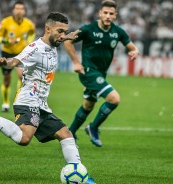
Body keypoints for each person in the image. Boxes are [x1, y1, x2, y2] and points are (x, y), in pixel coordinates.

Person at [0, 12, 96, 184]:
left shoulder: (54, 43)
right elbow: (15, 61)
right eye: (59, 31)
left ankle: (80, 175)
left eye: (64, 32)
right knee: (24, 138)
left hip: (42, 104)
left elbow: (59, 39)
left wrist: (66, 37)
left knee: (66, 134)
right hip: (27, 100)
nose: (62, 35)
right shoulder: (34, 49)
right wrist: (5, 62)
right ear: (47, 29)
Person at [64, 0, 139, 147]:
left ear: (115, 15)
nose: (108, 16)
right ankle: (93, 128)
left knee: (88, 106)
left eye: (111, 13)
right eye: (105, 13)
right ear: (100, 13)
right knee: (114, 99)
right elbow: (67, 41)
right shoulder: (88, 29)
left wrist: (135, 51)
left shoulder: (118, 32)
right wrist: (76, 62)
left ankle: (70, 133)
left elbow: (131, 46)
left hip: (101, 74)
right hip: (88, 72)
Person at [0, 1, 36, 112]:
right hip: (7, 53)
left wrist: (29, 41)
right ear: (13, 10)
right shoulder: (5, 22)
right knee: (7, 81)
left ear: (24, 11)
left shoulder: (29, 24)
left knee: (22, 76)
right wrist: (7, 41)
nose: (19, 11)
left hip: (20, 54)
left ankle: (18, 100)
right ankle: (5, 103)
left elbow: (32, 33)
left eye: (21, 9)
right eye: (17, 8)